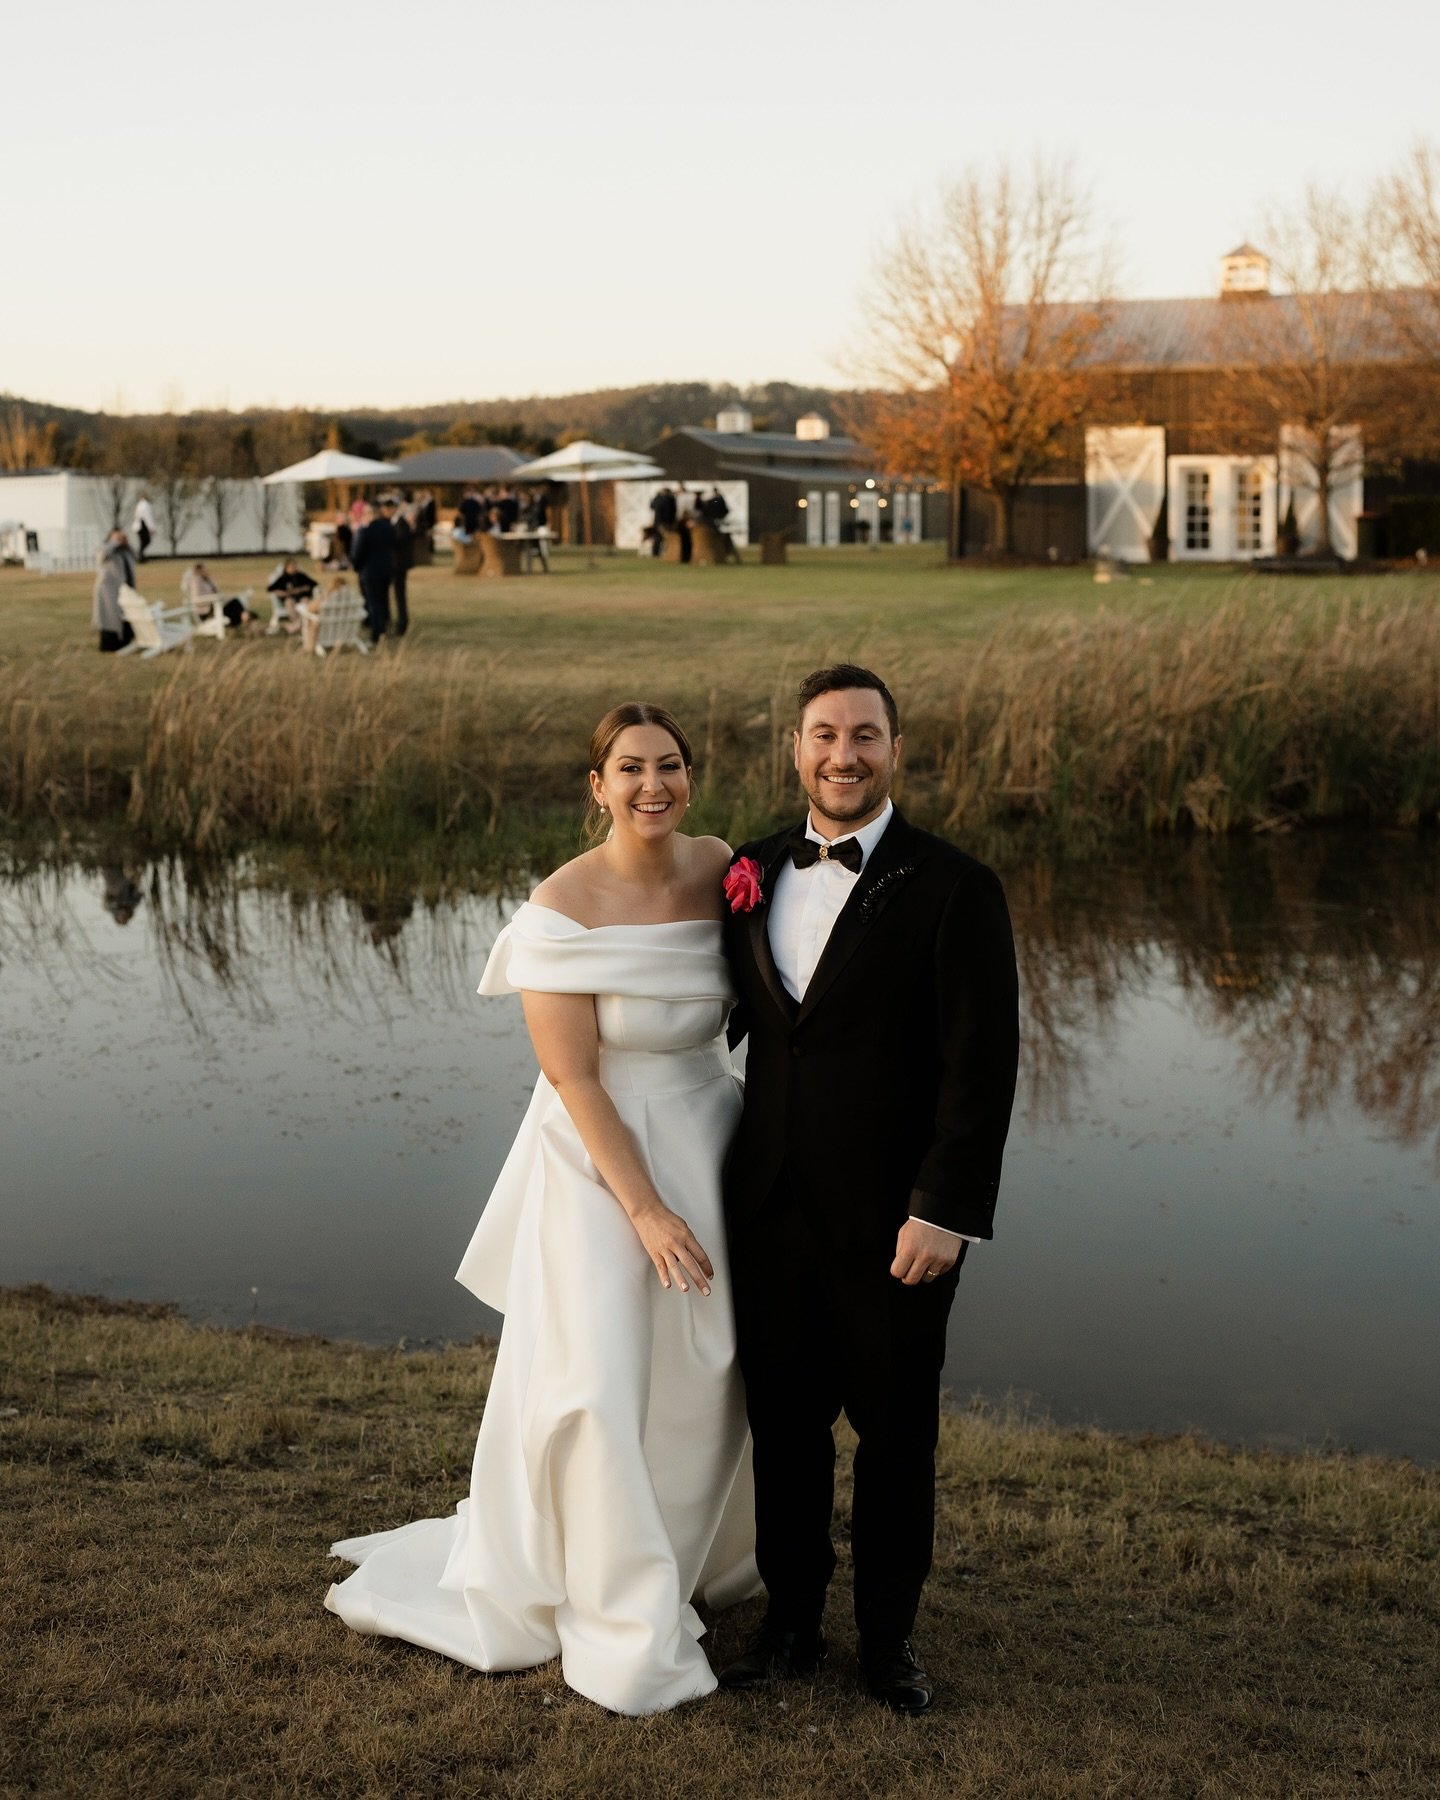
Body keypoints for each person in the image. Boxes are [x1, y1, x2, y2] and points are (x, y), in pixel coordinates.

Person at [326, 704, 758, 1713]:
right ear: (596, 785)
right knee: (599, 1383)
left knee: (709, 1367)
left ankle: (693, 1557)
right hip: (599, 1159)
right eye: (630, 770)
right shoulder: (559, 907)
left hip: (711, 1135)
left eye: (670, 766)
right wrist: (645, 1211)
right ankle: (619, 1611)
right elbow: (574, 1079)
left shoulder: (722, 866)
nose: (653, 785)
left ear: (691, 776)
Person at [717, 663, 1020, 1715]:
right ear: (795, 747)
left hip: (898, 1225)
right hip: (768, 1217)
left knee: (897, 1442)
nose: (843, 756)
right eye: (823, 735)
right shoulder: (747, 868)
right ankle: (791, 1623)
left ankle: (888, 1641)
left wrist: (945, 1209)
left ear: (895, 749)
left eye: (864, 737)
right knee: (786, 1438)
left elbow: (982, 1069)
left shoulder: (955, 887)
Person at [349, 500, 396, 642]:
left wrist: (356, 566)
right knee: (383, 600)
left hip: (369, 572)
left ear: (370, 514)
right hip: (386, 570)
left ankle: (377, 632)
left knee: (373, 603)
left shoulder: (365, 531)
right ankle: (384, 627)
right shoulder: (388, 528)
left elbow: (358, 553)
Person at [92, 529, 137, 652]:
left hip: (125, 589)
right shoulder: (106, 548)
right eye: (117, 536)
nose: (120, 538)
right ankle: (110, 645)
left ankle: (125, 641)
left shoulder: (125, 551)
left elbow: (135, 555)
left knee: (126, 615)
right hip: (108, 589)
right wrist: (114, 542)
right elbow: (101, 556)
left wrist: (127, 543)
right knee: (110, 617)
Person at [181, 562, 257, 629]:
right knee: (235, 603)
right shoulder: (196, 582)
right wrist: (212, 599)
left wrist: (211, 582)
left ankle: (245, 618)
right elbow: (196, 599)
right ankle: (246, 618)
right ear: (200, 571)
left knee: (235, 603)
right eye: (205, 569)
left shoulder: (207, 580)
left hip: (215, 606)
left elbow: (217, 592)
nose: (207, 571)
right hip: (207, 612)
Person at [382, 496, 413, 637]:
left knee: (399, 595)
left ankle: (402, 623)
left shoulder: (401, 524)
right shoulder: (392, 523)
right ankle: (393, 621)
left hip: (399, 565)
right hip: (393, 564)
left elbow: (400, 542)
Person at [265, 559, 318, 634]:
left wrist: (301, 589)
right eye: (291, 567)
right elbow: (271, 589)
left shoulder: (301, 576)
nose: (293, 568)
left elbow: (313, 584)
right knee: (289, 602)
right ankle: (297, 624)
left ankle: (296, 626)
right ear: (286, 568)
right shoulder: (283, 579)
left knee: (305, 601)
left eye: (294, 566)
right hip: (290, 599)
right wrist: (284, 593)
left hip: (302, 598)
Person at [130, 494, 156, 563]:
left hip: (138, 525)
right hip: (143, 525)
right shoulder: (146, 505)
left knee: (142, 542)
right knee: (146, 541)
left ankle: (140, 556)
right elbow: (147, 517)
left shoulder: (139, 505)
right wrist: (151, 527)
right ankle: (140, 556)